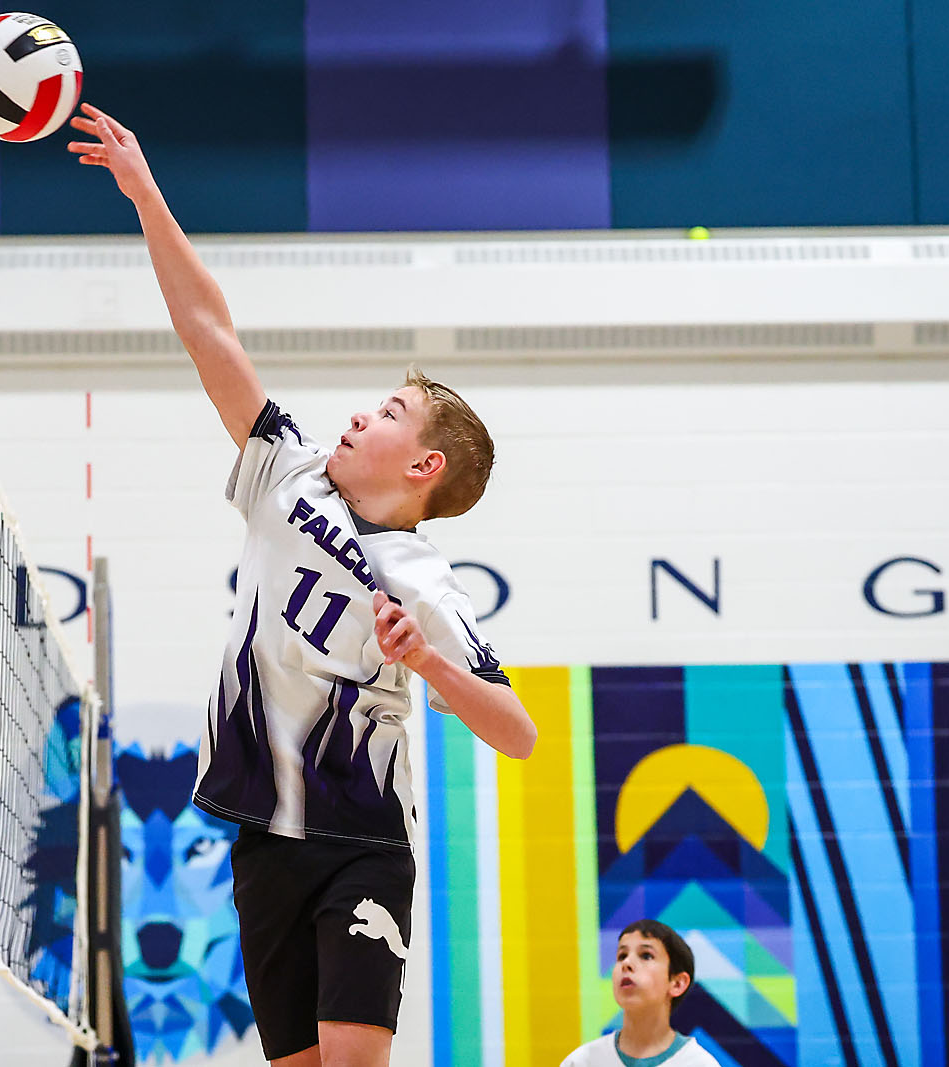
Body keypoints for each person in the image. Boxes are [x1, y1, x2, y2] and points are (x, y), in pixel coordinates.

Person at [69, 105, 537, 1067]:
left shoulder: (421, 581)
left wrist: (427, 664)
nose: (363, 414)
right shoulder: (290, 474)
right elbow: (211, 333)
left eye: (392, 412)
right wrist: (144, 191)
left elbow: (517, 731)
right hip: (263, 840)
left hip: (361, 842)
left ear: (425, 469)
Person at [561, 920, 721, 1067]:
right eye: (622, 956)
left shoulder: (699, 1063)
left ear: (677, 983)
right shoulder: (581, 1061)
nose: (627, 963)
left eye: (646, 955)